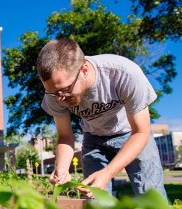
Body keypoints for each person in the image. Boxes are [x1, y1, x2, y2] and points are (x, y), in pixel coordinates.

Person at [37, 39, 167, 200]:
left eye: (65, 90)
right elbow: (65, 136)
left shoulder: (124, 74)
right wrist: (62, 168)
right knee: (95, 201)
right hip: (93, 138)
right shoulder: (55, 93)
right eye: (54, 93)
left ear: (84, 70)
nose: (60, 99)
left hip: (132, 134)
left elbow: (141, 132)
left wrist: (108, 173)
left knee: (151, 196)